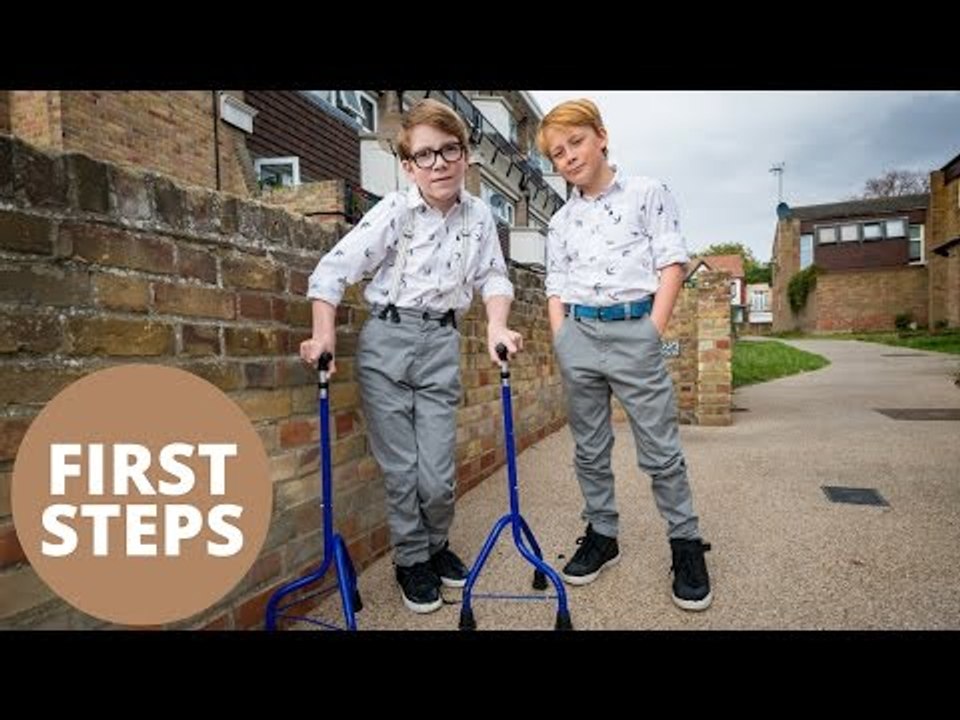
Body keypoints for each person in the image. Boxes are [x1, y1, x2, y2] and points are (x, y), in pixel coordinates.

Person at [300, 98, 523, 614]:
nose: (439, 163)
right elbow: (332, 271)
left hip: (442, 343)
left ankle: (435, 546)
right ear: (408, 166)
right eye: (426, 155)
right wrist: (323, 335)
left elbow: (493, 276)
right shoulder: (395, 212)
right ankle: (410, 560)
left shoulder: (481, 219)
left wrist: (496, 325)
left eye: (450, 150)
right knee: (401, 471)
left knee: (438, 474)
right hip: (388, 342)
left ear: (466, 155)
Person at [536, 98, 712, 611]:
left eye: (575, 143)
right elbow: (556, 284)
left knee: (660, 450)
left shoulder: (647, 193)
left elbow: (672, 262)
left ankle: (685, 544)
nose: (567, 158)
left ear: (602, 136)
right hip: (580, 335)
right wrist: (561, 337)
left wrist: (651, 330)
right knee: (588, 448)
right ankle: (602, 534)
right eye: (557, 154)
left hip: (633, 330)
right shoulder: (561, 220)